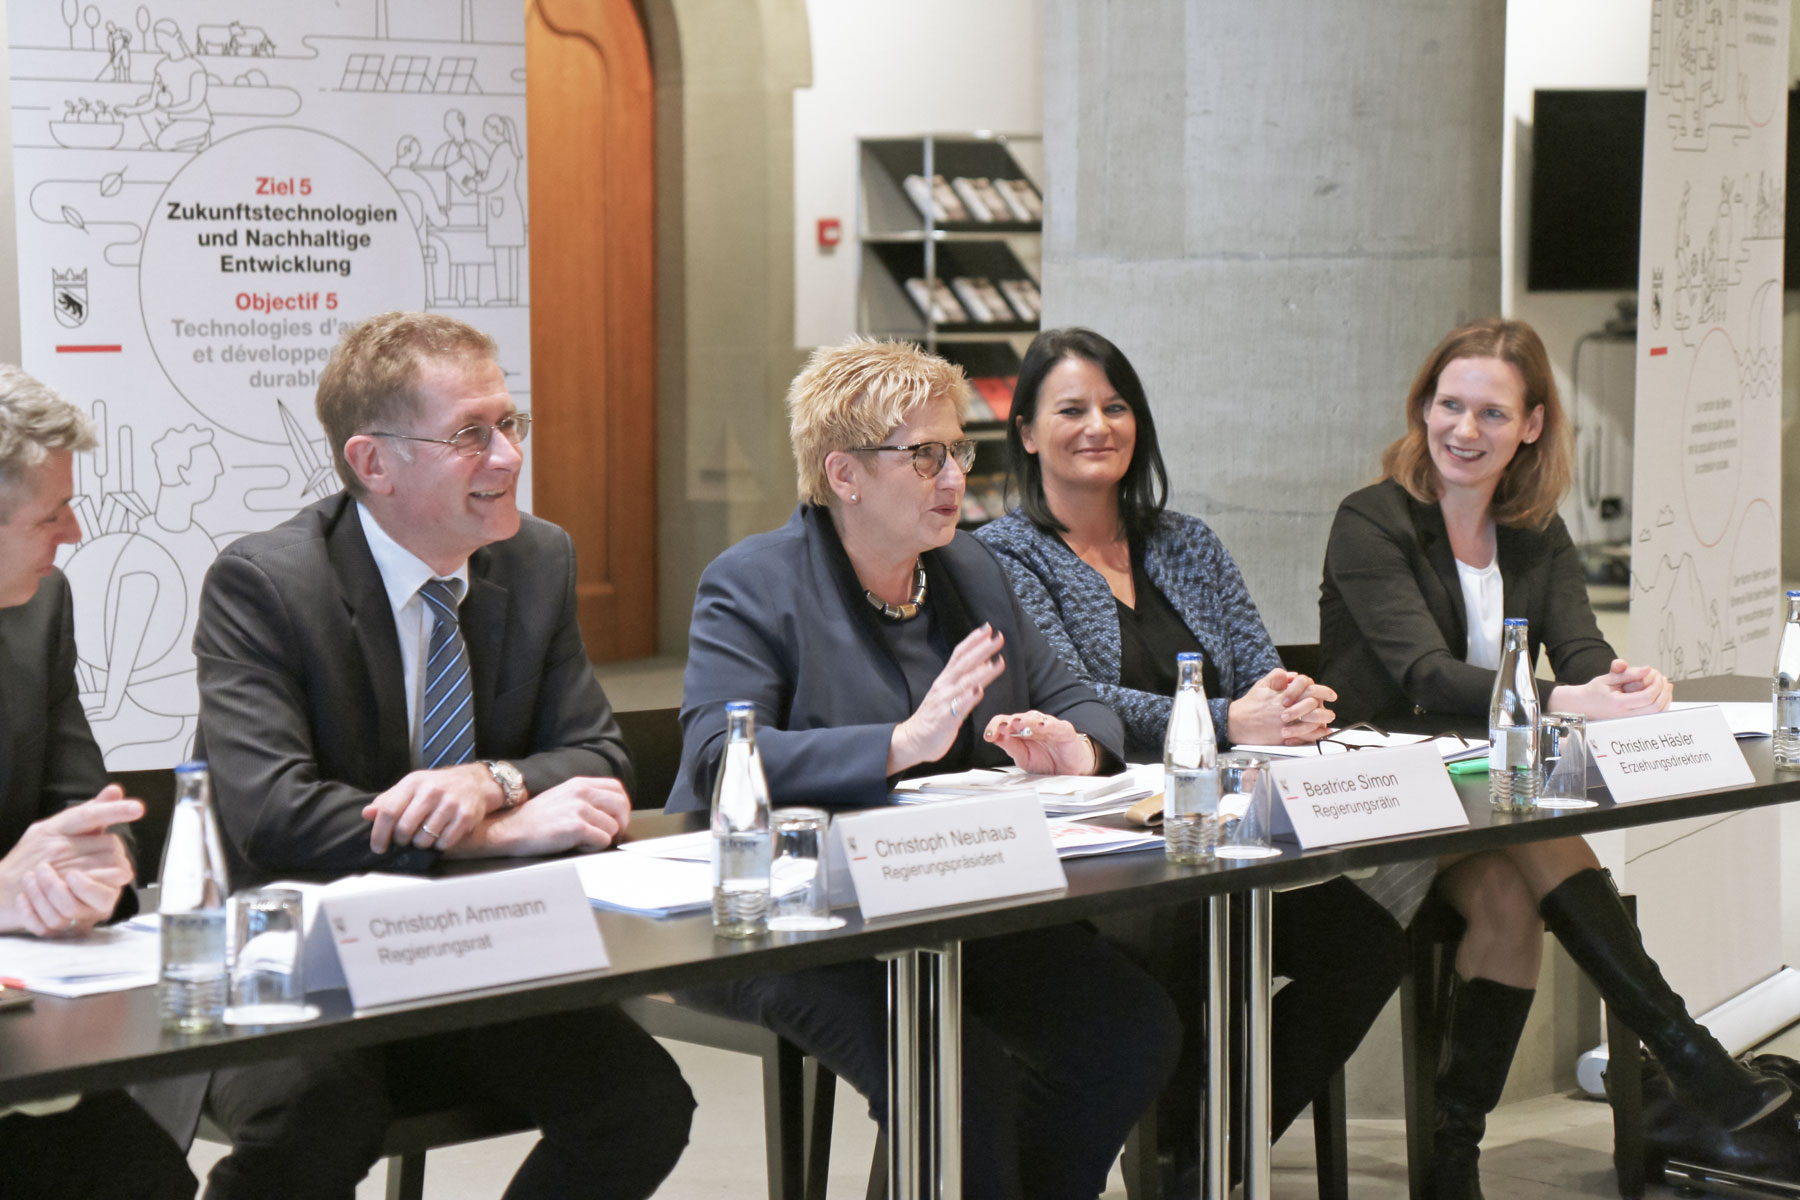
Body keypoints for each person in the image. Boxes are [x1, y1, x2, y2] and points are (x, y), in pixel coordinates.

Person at [192, 312, 694, 1200]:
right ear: (372, 463)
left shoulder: (535, 558)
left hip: (473, 949)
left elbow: (601, 757)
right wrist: (482, 835)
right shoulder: (267, 583)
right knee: (313, 1126)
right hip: (304, 962)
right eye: (470, 434)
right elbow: (272, 814)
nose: (507, 457)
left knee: (642, 1105)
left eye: (510, 424)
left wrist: (489, 781)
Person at [668, 337, 1180, 1200]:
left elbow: (1076, 697)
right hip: (789, 923)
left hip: (947, 896)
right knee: (953, 1071)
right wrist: (898, 744)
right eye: (924, 456)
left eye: (958, 451)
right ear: (844, 474)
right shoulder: (754, 583)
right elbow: (723, 763)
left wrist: (1075, 746)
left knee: (1129, 1030)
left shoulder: (969, 568)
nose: (953, 478)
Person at [1319, 318, 1789, 1197]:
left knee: (1508, 899)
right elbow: (1423, 676)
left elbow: (1579, 653)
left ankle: (1451, 1161)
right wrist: (1565, 702)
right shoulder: (1372, 521)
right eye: (1448, 406)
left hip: (1482, 808)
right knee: (1531, 825)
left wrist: (1622, 683)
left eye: (1491, 414)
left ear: (1531, 425)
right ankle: (1690, 1056)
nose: (1465, 431)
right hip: (1375, 799)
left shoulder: (1535, 532)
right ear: (1422, 408)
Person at [974, 327, 1409, 1186]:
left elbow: (1257, 670)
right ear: (1026, 431)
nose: (1099, 424)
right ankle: (1177, 1148)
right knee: (1179, 939)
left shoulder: (1186, 542)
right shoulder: (1001, 555)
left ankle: (1206, 1145)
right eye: (1072, 409)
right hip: (1101, 862)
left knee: (1368, 939)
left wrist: (1290, 704)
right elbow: (1079, 701)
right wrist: (1226, 720)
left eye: (1117, 406)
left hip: (1228, 839)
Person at [0, 366, 195, 1198]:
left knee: (146, 1180)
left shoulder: (43, 605)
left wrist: (97, 868)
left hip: (25, 1014)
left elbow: (83, 806)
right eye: (51, 514)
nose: (75, 532)